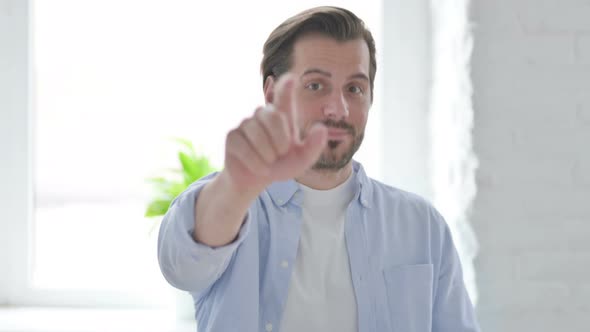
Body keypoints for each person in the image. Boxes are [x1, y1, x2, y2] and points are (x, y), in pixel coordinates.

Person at [157, 6, 480, 332]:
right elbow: (181, 266)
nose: (338, 108)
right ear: (272, 94)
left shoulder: (422, 226)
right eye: (315, 85)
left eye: (354, 88)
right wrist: (238, 186)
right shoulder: (229, 201)